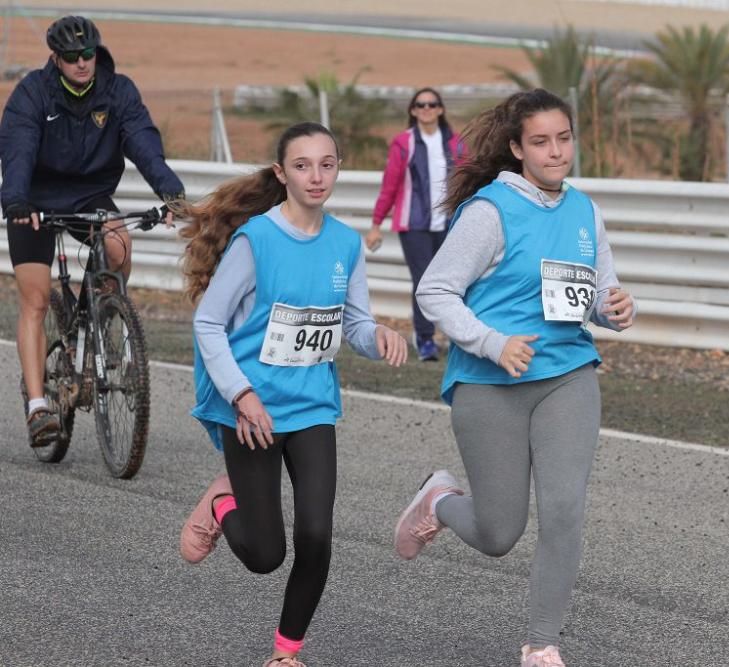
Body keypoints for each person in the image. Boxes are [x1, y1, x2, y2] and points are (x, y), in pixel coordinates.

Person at [392, 88, 637, 667]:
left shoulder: (585, 209)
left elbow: (597, 292)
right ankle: (441, 498)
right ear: (516, 149)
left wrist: (616, 309)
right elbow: (434, 291)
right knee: (499, 533)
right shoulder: (490, 212)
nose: (556, 152)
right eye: (541, 142)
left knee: (564, 508)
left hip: (567, 375)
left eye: (564, 138)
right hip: (488, 384)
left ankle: (541, 644)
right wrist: (492, 343)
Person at [177, 122, 407, 667]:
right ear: (281, 173)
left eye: (327, 164)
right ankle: (220, 500)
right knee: (264, 555)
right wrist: (241, 394)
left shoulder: (346, 244)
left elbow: (352, 324)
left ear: (338, 167)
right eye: (302, 165)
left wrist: (378, 336)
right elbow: (208, 324)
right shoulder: (256, 240)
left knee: (317, 534)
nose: (316, 176)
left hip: (311, 407)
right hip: (253, 409)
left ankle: (285, 653)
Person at [0, 15, 184, 447]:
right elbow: (18, 148)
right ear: (55, 58)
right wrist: (16, 200)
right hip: (35, 200)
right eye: (71, 57)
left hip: (89, 195)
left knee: (118, 244)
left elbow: (142, 139)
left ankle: (102, 318)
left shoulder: (118, 91)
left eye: (88, 54)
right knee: (36, 299)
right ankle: (37, 408)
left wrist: (170, 190)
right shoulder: (32, 92)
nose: (82, 63)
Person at [365, 87, 464, 362]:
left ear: (441, 109)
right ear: (413, 110)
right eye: (421, 105)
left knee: (453, 282)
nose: (427, 109)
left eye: (432, 104)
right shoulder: (403, 143)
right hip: (414, 224)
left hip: (448, 223)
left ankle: (457, 337)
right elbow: (390, 185)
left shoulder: (456, 144)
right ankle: (424, 338)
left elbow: (469, 182)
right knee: (424, 281)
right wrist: (376, 224)